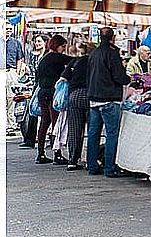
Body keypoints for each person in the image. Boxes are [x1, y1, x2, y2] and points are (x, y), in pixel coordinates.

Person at [86, 27, 130, 177]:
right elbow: (119, 76)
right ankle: (109, 168)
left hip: (94, 99)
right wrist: (129, 79)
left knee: (93, 133)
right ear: (113, 38)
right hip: (109, 99)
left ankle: (92, 165)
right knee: (112, 134)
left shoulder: (93, 53)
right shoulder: (112, 53)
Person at [33, 34, 72, 164]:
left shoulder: (43, 59)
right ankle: (57, 154)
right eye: (63, 46)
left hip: (42, 93)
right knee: (56, 124)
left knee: (44, 123)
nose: (64, 49)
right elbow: (74, 60)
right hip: (52, 94)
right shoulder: (56, 58)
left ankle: (41, 154)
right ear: (57, 46)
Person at [60, 41, 90, 170]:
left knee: (74, 129)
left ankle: (72, 160)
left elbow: (63, 78)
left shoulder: (75, 62)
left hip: (74, 96)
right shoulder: (94, 62)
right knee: (92, 130)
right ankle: (91, 160)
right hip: (90, 96)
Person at [5, 23, 26, 136]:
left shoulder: (16, 43)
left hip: (11, 72)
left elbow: (20, 58)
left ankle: (11, 125)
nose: (8, 30)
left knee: (12, 99)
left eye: (9, 29)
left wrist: (17, 73)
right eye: (6, 28)